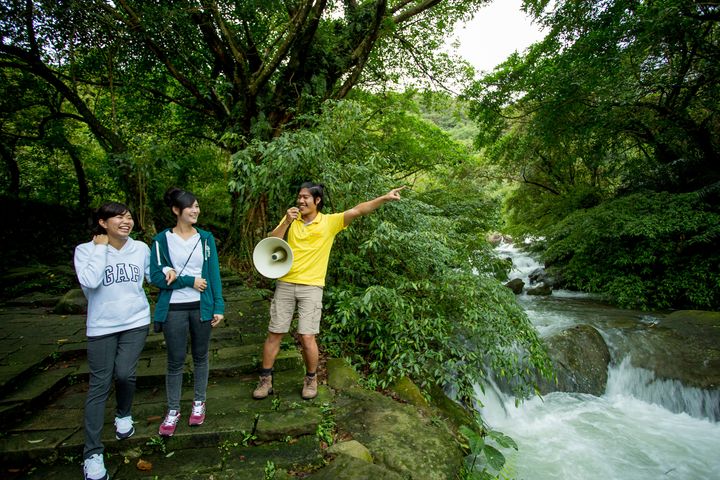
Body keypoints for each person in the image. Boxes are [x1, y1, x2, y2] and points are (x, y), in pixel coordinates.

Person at [253, 182, 405, 400]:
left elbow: (359, 210)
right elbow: (271, 242)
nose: (301, 201)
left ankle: (311, 378)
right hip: (285, 283)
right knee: (275, 332)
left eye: (306, 197)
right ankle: (265, 380)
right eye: (299, 197)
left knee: (307, 337)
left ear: (317, 201)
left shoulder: (329, 222)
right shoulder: (291, 220)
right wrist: (286, 221)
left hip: (312, 287)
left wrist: (384, 198)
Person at [74, 202, 151, 480]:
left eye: (129, 216)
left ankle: (123, 413)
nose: (126, 221)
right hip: (101, 326)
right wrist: (99, 248)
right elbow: (91, 281)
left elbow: (151, 276)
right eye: (119, 216)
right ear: (103, 223)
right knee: (99, 384)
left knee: (125, 374)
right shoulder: (85, 251)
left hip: (136, 322)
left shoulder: (141, 249)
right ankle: (92, 453)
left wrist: (168, 273)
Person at [150, 187, 224, 437]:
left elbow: (213, 273)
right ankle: (173, 410)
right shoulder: (161, 240)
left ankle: (199, 403)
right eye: (191, 206)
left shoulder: (205, 238)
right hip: (173, 309)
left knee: (201, 356)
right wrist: (189, 281)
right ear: (176, 210)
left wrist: (219, 306)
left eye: (197, 206)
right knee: (175, 360)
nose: (196, 210)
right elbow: (157, 277)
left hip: (201, 307)